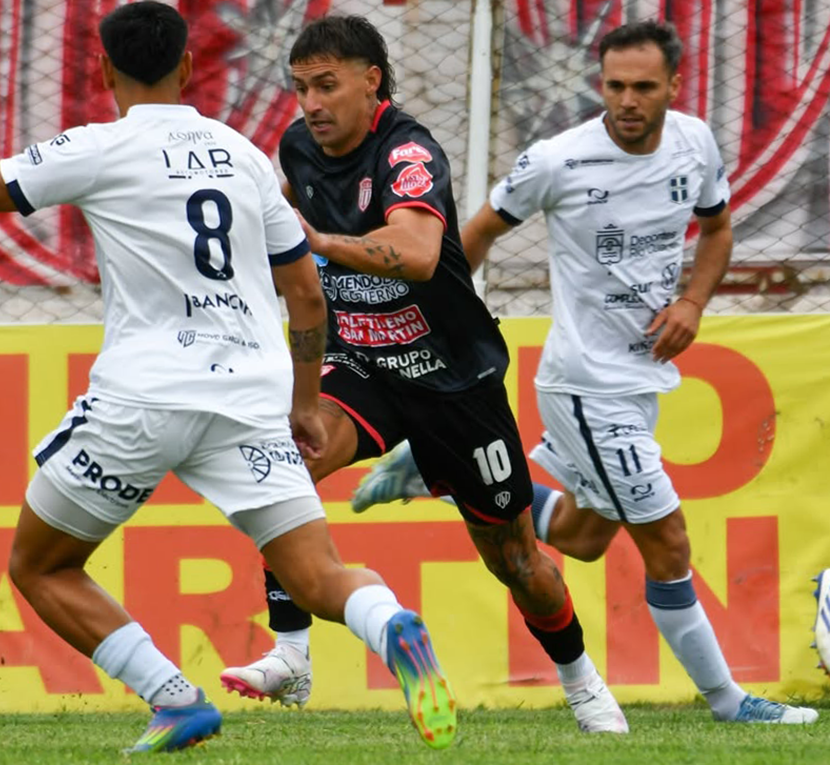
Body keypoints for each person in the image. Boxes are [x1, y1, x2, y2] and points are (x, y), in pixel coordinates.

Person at [0, 2, 459, 751]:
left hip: (145, 397)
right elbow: (305, 293)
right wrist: (305, 404)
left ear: (104, 69)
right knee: (318, 575)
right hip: (250, 396)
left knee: (42, 564)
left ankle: (175, 699)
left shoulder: (98, 147)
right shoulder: (243, 155)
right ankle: (392, 620)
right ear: (186, 67)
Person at [347, 19, 818, 724]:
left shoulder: (695, 143)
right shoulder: (557, 160)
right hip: (587, 383)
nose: (627, 100)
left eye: (643, 87)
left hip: (640, 379)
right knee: (668, 539)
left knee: (584, 535)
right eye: (614, 86)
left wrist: (692, 300)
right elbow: (471, 236)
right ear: (600, 83)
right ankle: (729, 700)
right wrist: (443, 325)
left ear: (672, 87)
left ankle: (436, 473)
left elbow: (717, 228)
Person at [218, 15, 627, 733]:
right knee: (282, 464)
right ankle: (291, 653)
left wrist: (315, 242)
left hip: (451, 379)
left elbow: (415, 252)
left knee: (515, 559)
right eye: (299, 87)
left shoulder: (408, 152)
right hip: (361, 365)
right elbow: (283, 224)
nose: (310, 103)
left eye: (326, 85)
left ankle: (582, 681)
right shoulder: (297, 148)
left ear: (370, 80)